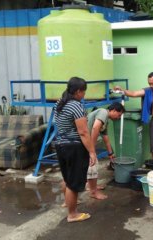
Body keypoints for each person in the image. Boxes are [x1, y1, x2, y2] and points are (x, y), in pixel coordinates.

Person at [54, 77, 96, 223]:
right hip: (74, 147)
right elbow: (83, 132)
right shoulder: (76, 106)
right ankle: (72, 214)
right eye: (83, 92)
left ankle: (67, 203)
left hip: (60, 145)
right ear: (78, 91)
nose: (84, 95)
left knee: (67, 177)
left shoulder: (60, 103)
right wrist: (91, 151)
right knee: (74, 182)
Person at [86, 102, 125, 199]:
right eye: (119, 115)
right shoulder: (103, 112)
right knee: (93, 164)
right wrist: (92, 148)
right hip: (84, 142)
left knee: (91, 165)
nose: (118, 118)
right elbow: (95, 128)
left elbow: (105, 138)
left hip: (87, 142)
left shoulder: (106, 120)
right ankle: (93, 191)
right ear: (114, 110)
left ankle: (91, 186)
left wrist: (110, 153)